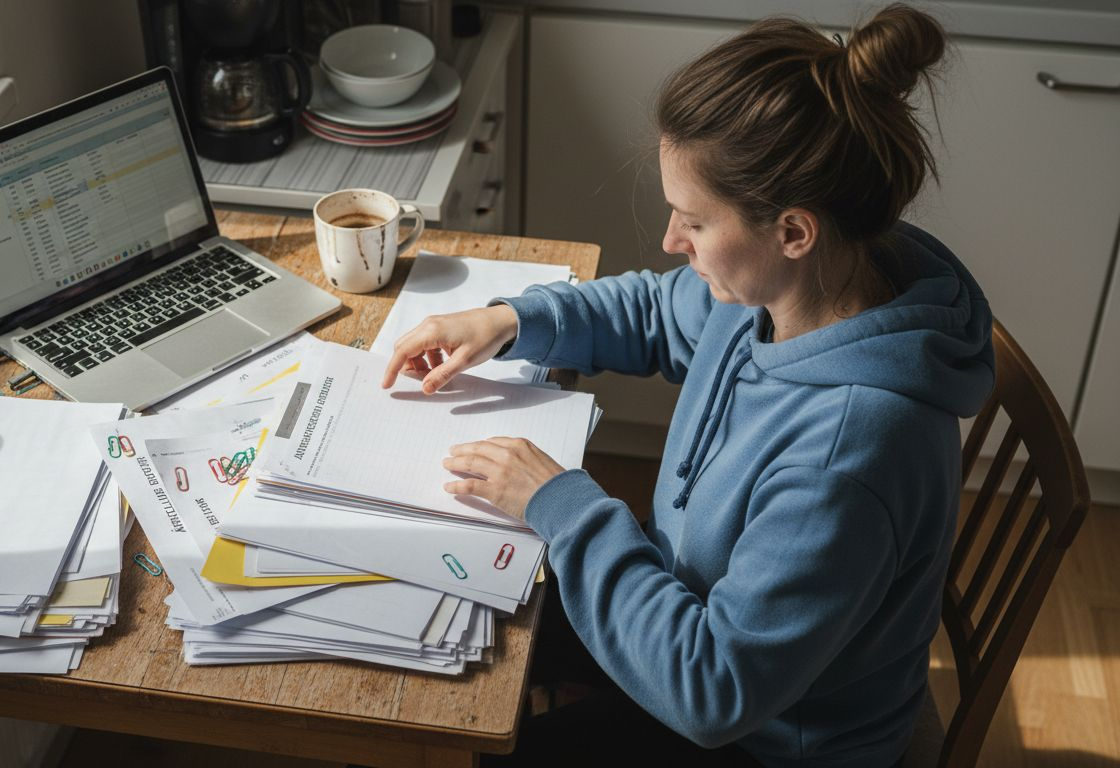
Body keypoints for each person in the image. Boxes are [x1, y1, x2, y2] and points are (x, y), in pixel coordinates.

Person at [380, 4, 995, 767]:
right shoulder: (808, 277)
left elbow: (712, 690)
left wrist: (562, 507)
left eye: (693, 223)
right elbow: (652, 310)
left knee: (436, 737)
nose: (673, 243)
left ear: (792, 230)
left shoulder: (851, 458)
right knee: (419, 625)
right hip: (688, 599)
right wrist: (508, 318)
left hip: (759, 736)